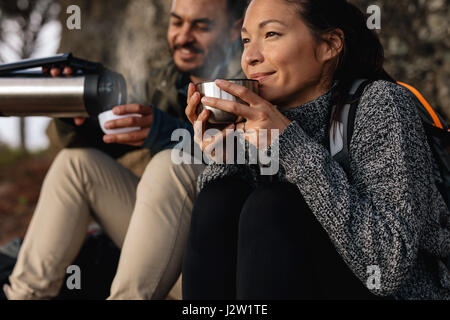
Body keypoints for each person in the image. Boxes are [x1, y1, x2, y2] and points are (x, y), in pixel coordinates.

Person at [183, 0, 450, 299]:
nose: (250, 57)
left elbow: (388, 266)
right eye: (246, 40)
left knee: (271, 205)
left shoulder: (380, 104)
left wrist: (288, 142)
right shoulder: (263, 119)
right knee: (219, 197)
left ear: (329, 45)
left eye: (271, 34)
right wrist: (229, 155)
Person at [3, 0, 246, 300]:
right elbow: (105, 139)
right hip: (170, 254)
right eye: (177, 22)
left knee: (170, 162)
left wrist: (167, 133)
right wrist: (75, 115)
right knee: (76, 163)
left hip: (223, 269)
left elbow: (249, 161)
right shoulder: (167, 80)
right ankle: (24, 296)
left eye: (201, 25)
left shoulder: (249, 79)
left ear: (235, 30)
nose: (183, 36)